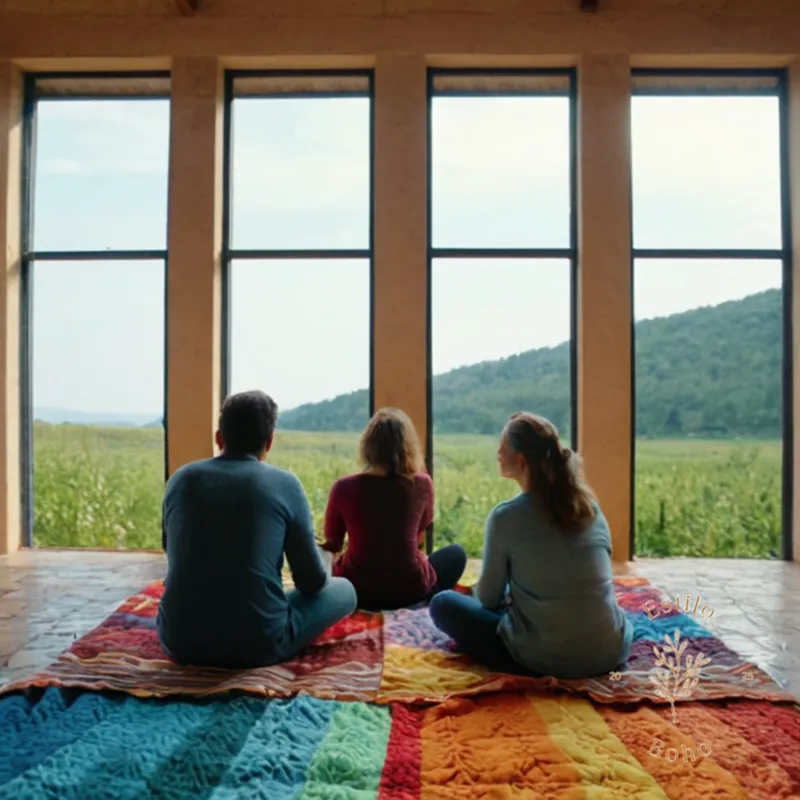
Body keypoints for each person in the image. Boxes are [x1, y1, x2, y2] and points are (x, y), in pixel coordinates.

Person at [157, 390, 356, 669]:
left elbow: (171, 549)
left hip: (179, 640)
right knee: (345, 589)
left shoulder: (181, 479)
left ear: (219, 437)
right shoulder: (285, 483)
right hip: (257, 644)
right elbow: (311, 581)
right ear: (270, 441)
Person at [429, 412, 633, 679]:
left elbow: (489, 599)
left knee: (443, 602)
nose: (497, 452)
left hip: (541, 659)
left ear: (521, 461)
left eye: (502, 446)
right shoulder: (590, 508)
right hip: (610, 653)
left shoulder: (505, 517)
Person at [321, 407, 466, 610]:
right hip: (410, 591)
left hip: (358, 592)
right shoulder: (422, 484)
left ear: (367, 446)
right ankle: (425, 604)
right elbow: (419, 537)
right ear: (408, 446)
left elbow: (332, 544)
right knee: (456, 554)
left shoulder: (343, 487)